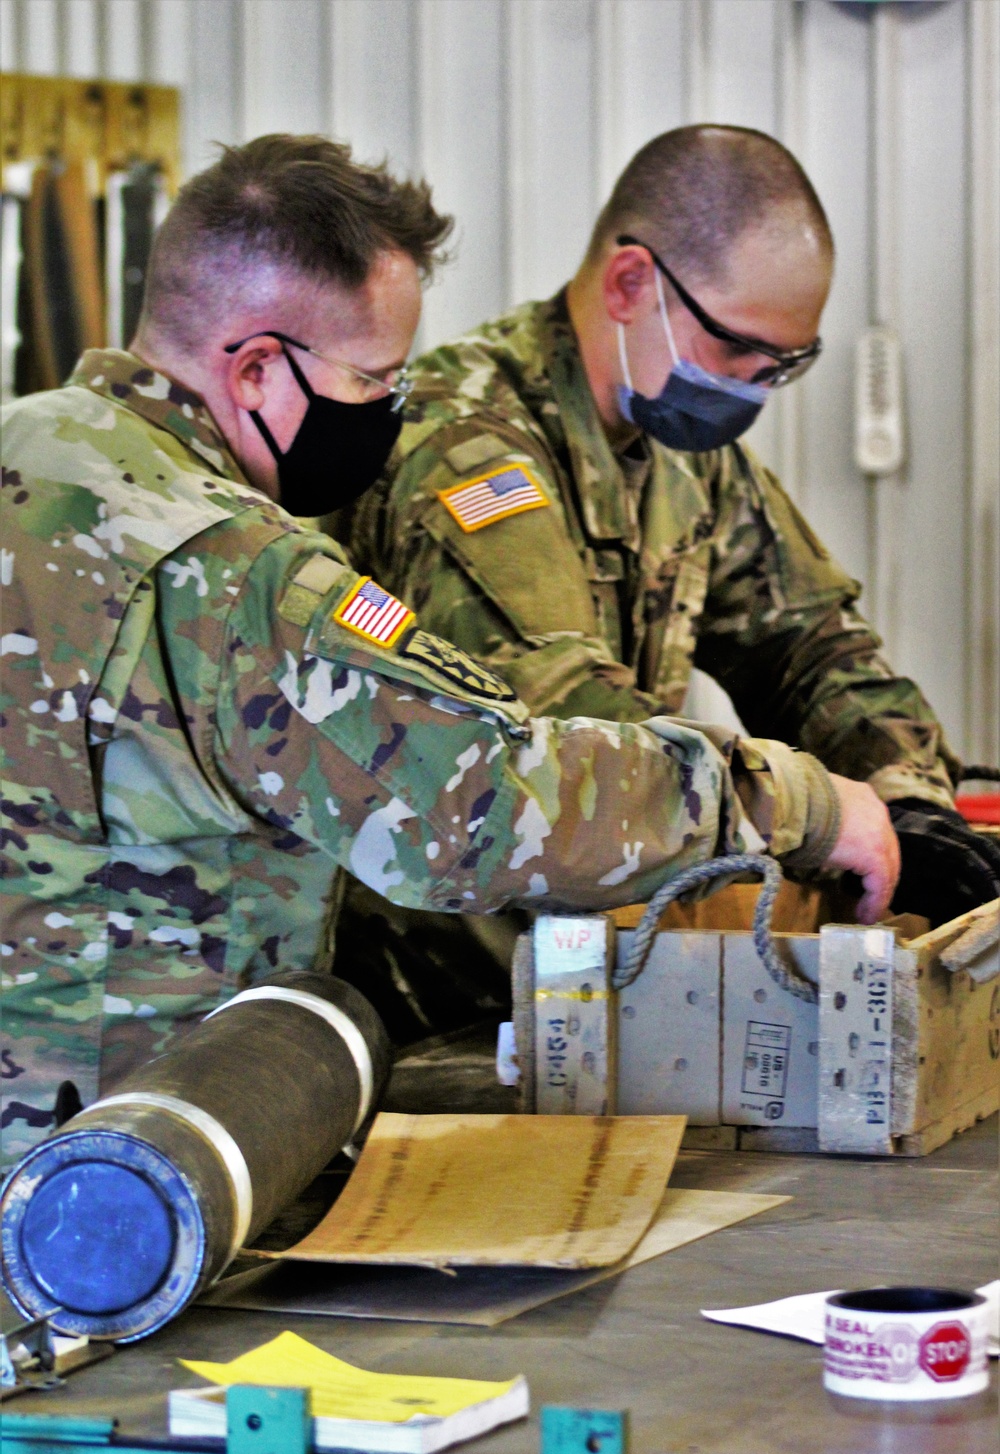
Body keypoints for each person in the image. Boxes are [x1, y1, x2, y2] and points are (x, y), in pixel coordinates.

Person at [0, 133, 899, 1169]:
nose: (391, 415)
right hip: (118, 1191)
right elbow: (479, 805)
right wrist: (794, 800)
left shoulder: (32, 450)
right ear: (253, 369)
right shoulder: (234, 570)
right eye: (376, 379)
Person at [338, 124, 999, 970]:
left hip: (594, 960)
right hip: (442, 984)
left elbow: (811, 648)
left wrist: (907, 801)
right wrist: (806, 806)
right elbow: (565, 727)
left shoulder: (686, 457)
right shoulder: (472, 446)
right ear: (630, 282)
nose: (752, 391)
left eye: (783, 366)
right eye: (738, 351)